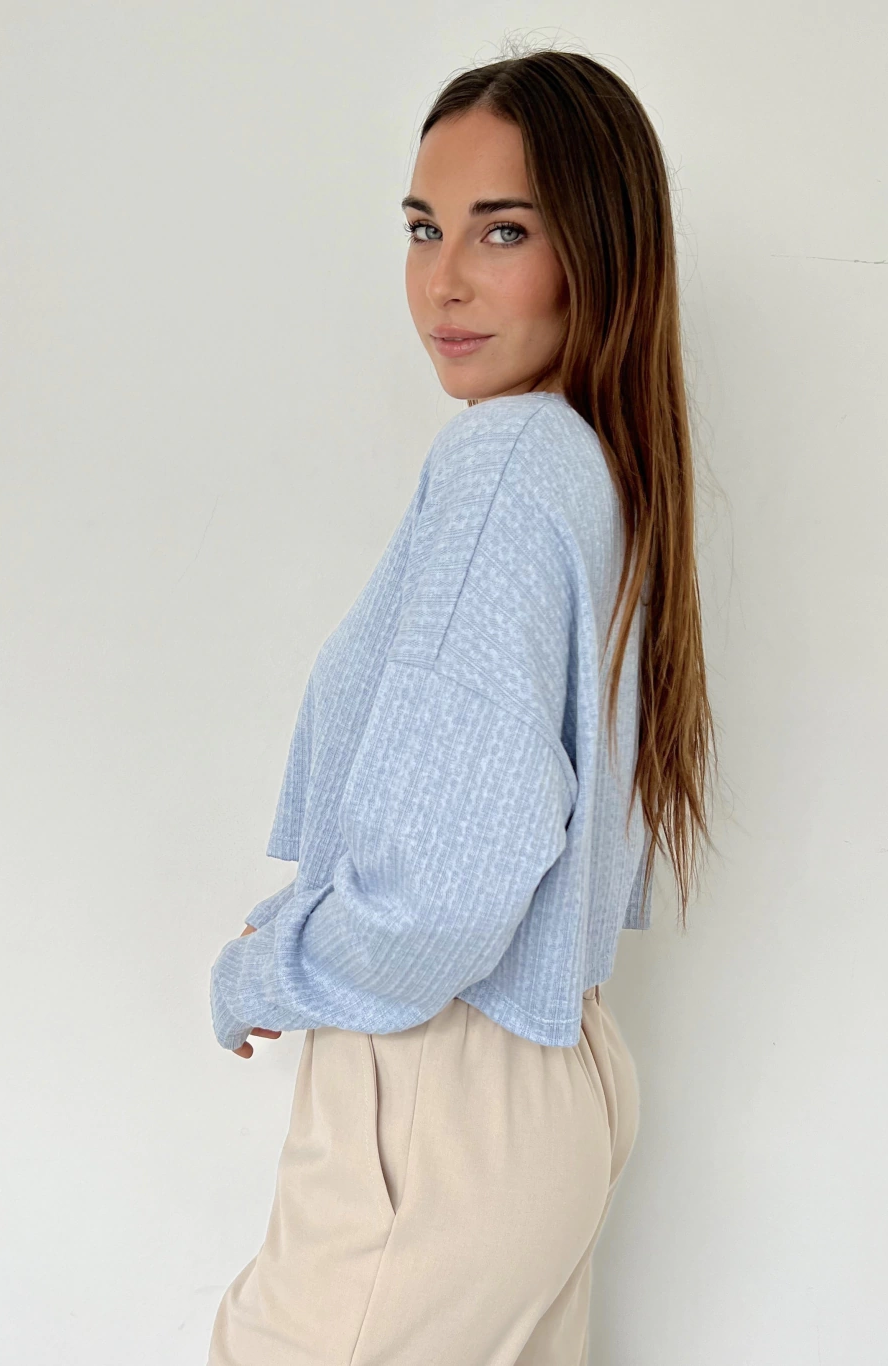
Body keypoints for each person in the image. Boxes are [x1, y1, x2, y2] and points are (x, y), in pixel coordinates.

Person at [205, 47, 718, 1366]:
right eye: (424, 229)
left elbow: (445, 884)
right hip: (551, 1085)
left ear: (596, 249)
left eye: (502, 230)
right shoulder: (597, 469)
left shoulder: (508, 461)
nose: (443, 280)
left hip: (442, 1098)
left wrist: (269, 965)